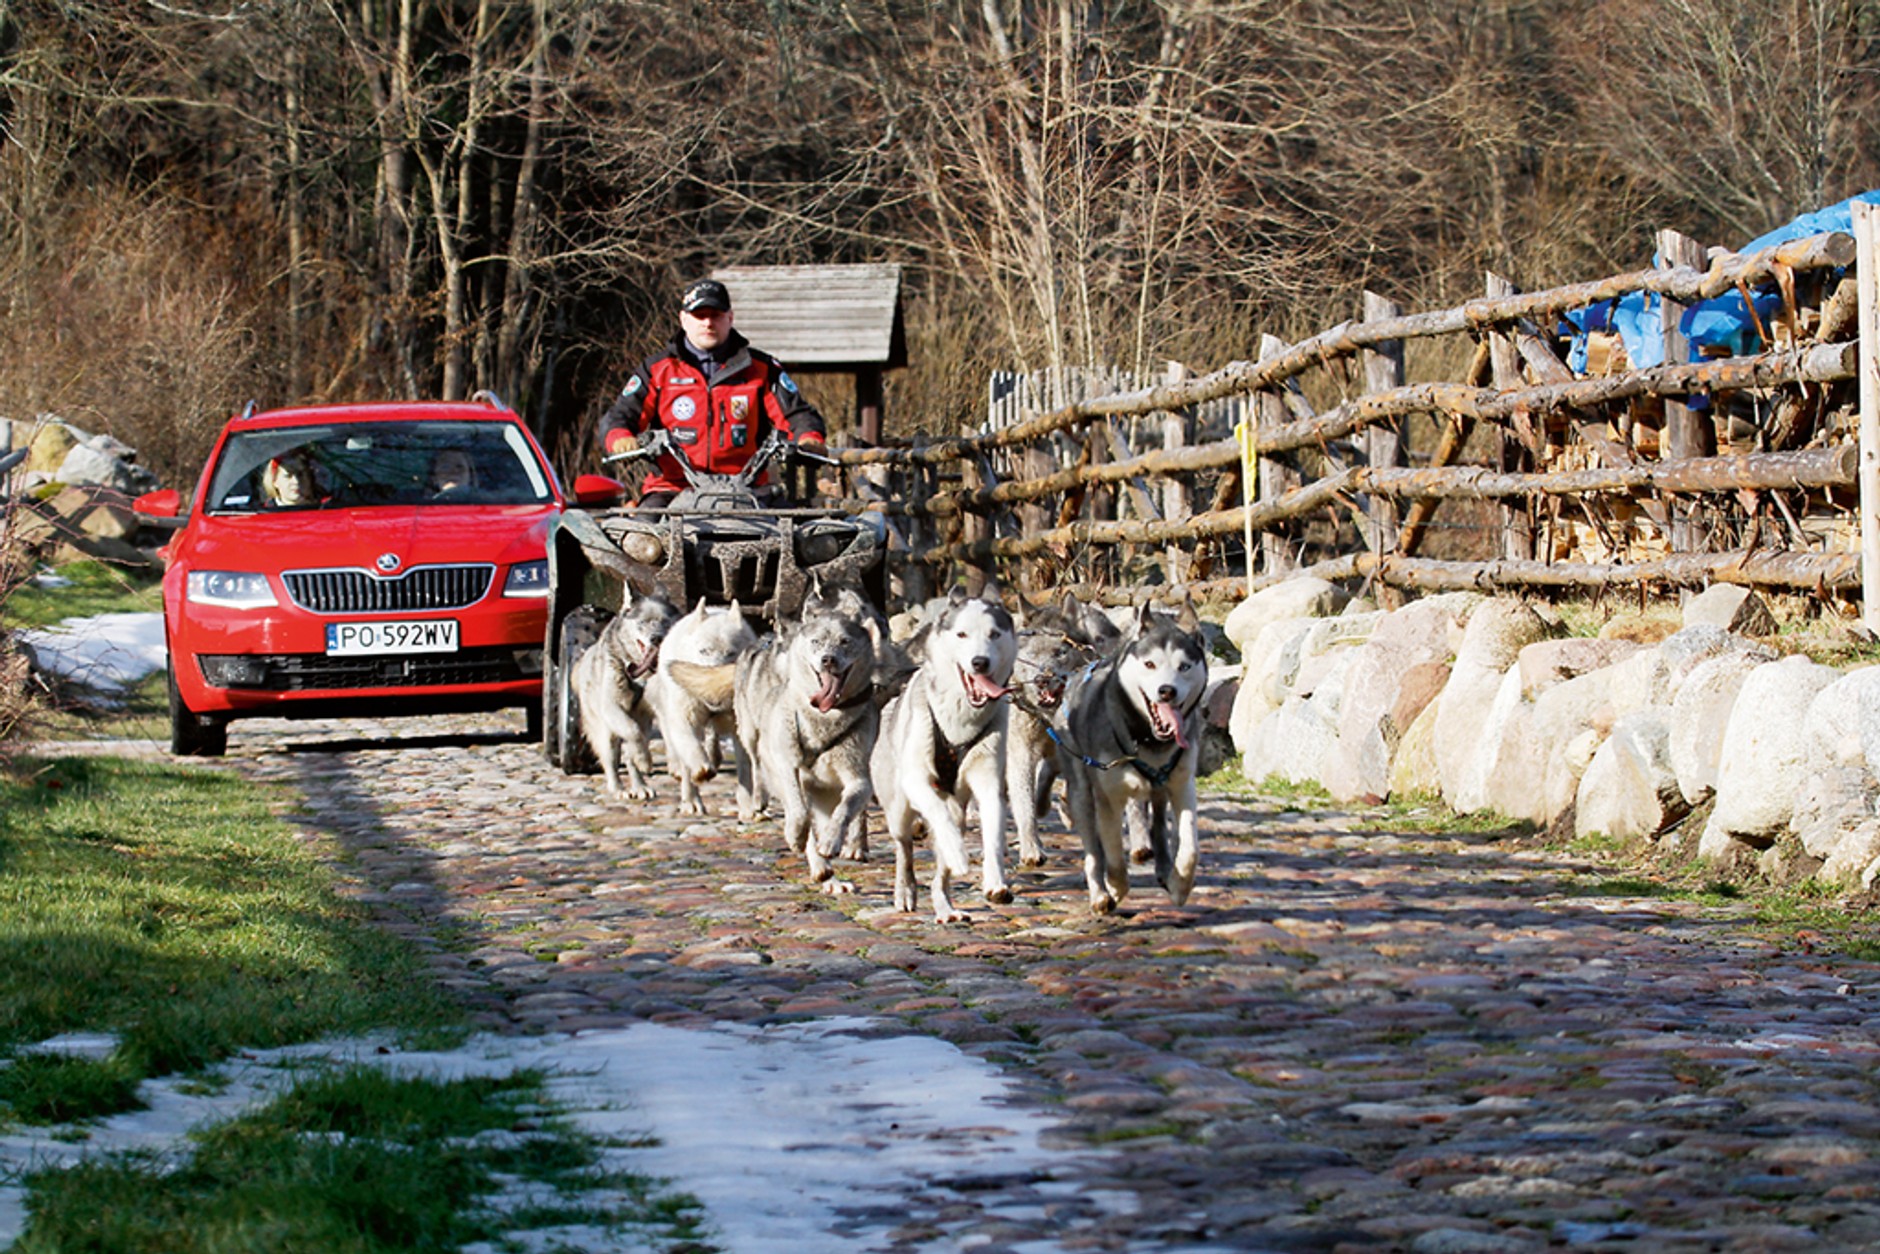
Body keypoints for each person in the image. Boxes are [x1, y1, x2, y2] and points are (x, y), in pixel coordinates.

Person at [601, 278, 827, 509]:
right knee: (638, 540)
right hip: (672, 489)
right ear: (683, 319)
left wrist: (809, 439)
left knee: (805, 538)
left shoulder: (761, 368)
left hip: (749, 490)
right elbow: (621, 415)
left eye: (716, 315)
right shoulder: (657, 370)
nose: (708, 323)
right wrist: (621, 439)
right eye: (700, 315)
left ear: (730, 318)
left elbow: (797, 415)